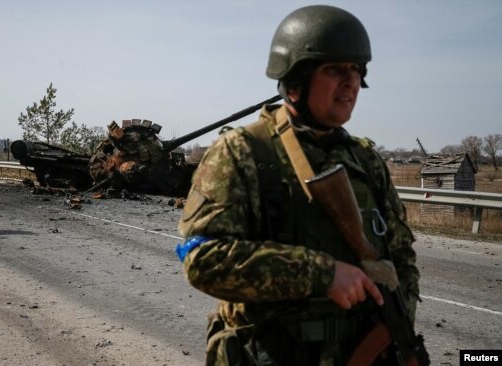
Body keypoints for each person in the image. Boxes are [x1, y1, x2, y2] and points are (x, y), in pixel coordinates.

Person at [177, 5, 420, 365]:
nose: (351, 82)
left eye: (356, 70)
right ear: (295, 81)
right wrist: (321, 275)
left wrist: (393, 330)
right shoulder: (244, 152)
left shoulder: (365, 162)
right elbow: (202, 259)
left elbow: (402, 261)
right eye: (335, 69)